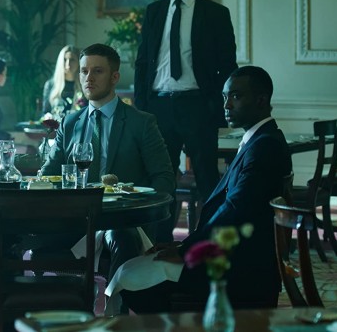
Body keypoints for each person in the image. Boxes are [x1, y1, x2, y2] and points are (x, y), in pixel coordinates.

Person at [119, 65, 292, 313]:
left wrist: (188, 249)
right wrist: (184, 245)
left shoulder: (265, 146)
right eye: (225, 97)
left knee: (132, 280)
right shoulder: (261, 140)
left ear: (261, 100)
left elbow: (234, 211)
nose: (226, 105)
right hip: (235, 255)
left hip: (240, 268)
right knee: (133, 270)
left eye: (236, 96)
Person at [40, 43, 175, 284]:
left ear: (114, 77)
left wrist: (143, 214)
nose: (88, 78)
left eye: (97, 71)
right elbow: (48, 174)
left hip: (122, 220)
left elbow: (164, 179)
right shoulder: (69, 123)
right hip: (76, 221)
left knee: (121, 237)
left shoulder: (141, 123)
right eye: (84, 71)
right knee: (16, 233)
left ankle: (117, 305)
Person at [133, 0, 238, 243]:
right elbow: (142, 63)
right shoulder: (154, 11)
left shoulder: (215, 13)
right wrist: (142, 108)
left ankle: (211, 243)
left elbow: (227, 66)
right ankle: (160, 244)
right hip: (159, 107)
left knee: (207, 179)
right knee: (161, 179)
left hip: (197, 106)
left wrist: (215, 106)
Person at [41, 45, 82, 116]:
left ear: (79, 62)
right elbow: (45, 113)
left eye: (72, 60)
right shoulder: (50, 85)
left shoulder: (84, 85)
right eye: (65, 59)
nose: (68, 64)